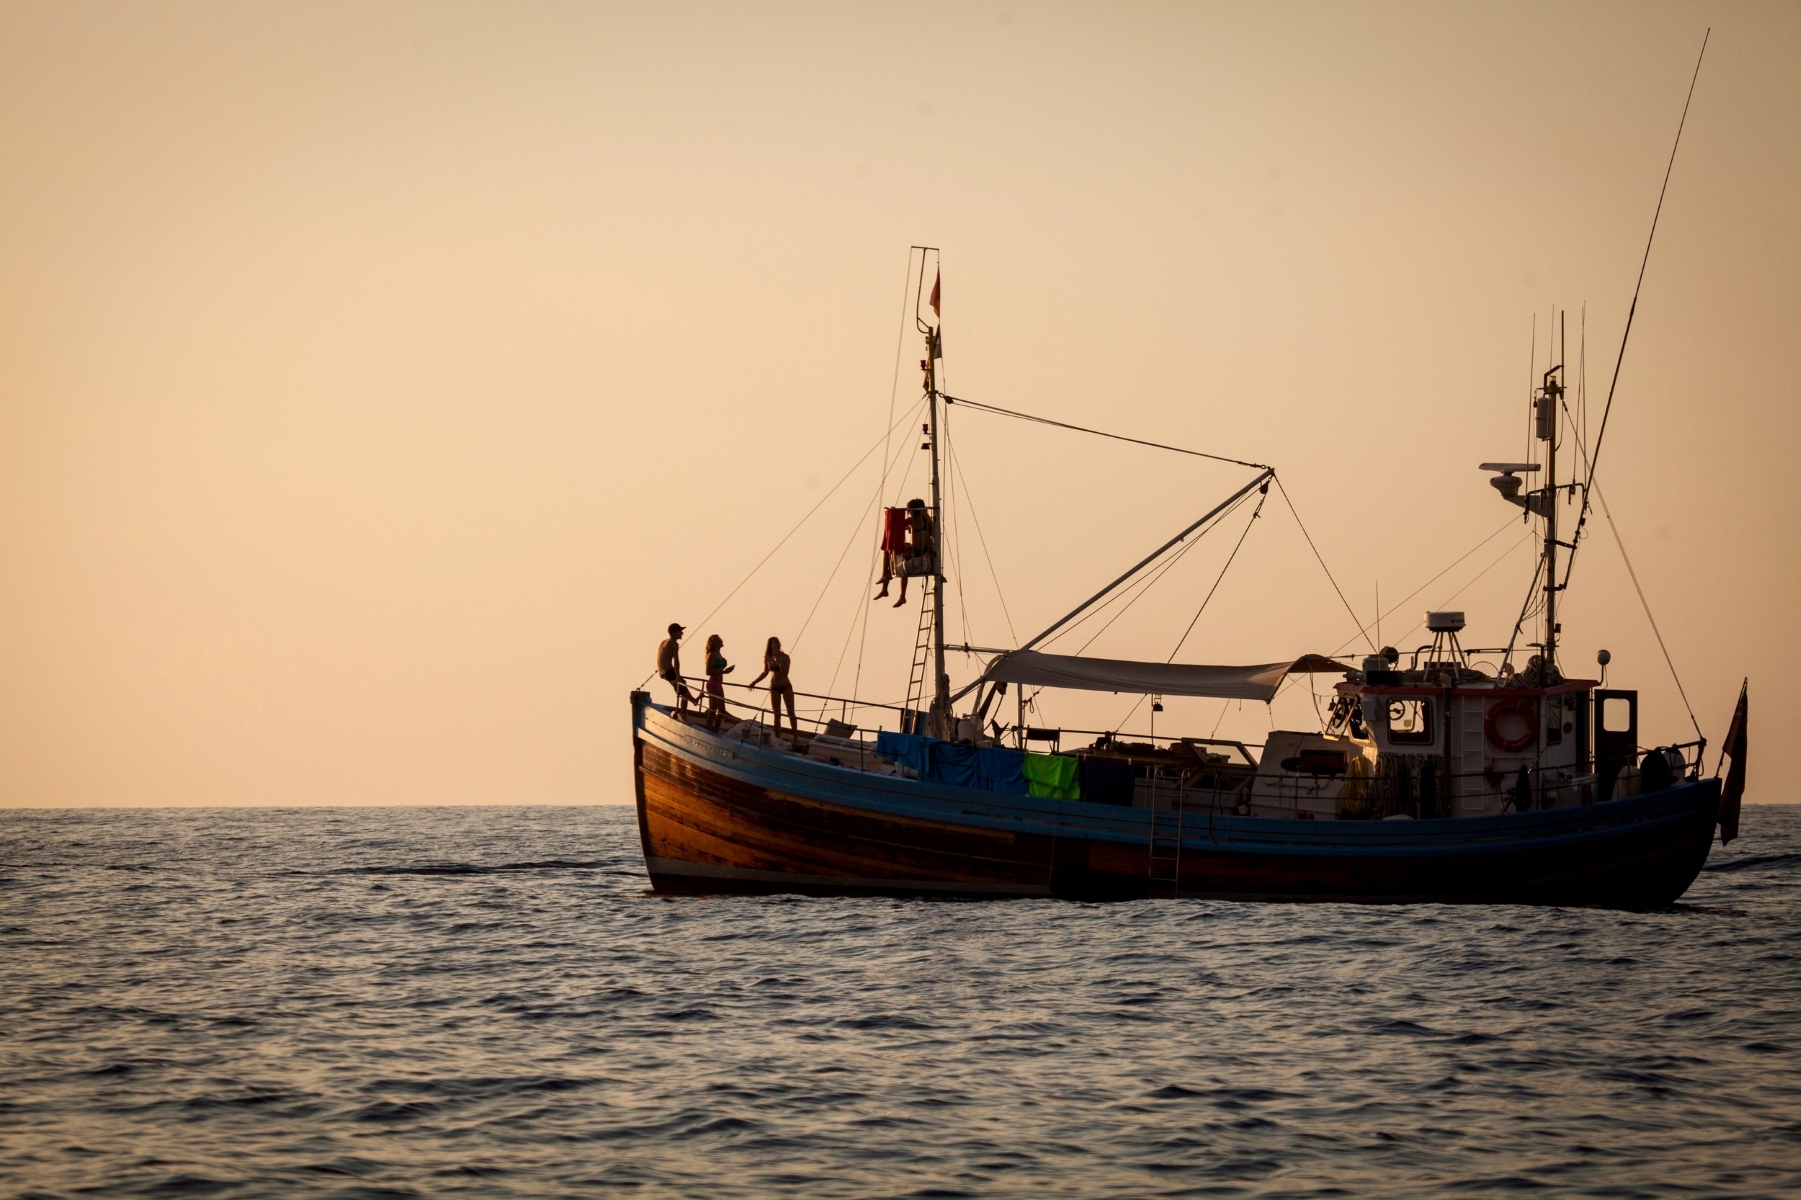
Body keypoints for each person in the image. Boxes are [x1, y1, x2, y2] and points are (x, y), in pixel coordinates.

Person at [749, 636, 797, 740]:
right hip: (774, 687)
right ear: (770, 645)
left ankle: (795, 737)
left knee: (791, 712)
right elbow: (765, 672)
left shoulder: (785, 657)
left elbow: (785, 673)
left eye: (778, 642)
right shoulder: (767, 658)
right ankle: (778, 737)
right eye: (775, 642)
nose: (777, 644)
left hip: (785, 686)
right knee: (777, 714)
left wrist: (779, 661)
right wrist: (754, 682)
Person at [894, 498, 935, 607]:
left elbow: (898, 525)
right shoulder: (926, 519)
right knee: (904, 564)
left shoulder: (912, 520)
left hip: (916, 551)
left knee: (900, 560)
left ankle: (902, 595)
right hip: (925, 549)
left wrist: (893, 513)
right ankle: (902, 596)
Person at [656, 623, 695, 715]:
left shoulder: (664, 642)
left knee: (682, 685)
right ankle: (684, 714)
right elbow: (676, 661)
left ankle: (694, 700)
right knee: (682, 688)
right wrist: (677, 676)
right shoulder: (674, 643)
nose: (682, 633)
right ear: (673, 633)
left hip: (662, 672)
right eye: (680, 631)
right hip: (669, 671)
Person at [873, 506, 909, 601]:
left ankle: (887, 578)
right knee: (887, 551)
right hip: (914, 547)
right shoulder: (917, 519)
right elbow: (902, 526)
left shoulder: (916, 519)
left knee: (895, 557)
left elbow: (901, 525)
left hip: (917, 549)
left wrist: (894, 516)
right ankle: (885, 584)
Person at [703, 634, 734, 732]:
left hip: (719, 684)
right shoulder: (712, 654)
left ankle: (715, 730)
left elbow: (717, 669)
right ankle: (709, 730)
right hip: (713, 684)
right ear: (713, 643)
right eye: (718, 640)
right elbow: (708, 672)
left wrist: (723, 666)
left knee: (721, 710)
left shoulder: (718, 654)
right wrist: (724, 671)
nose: (721, 641)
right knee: (713, 709)